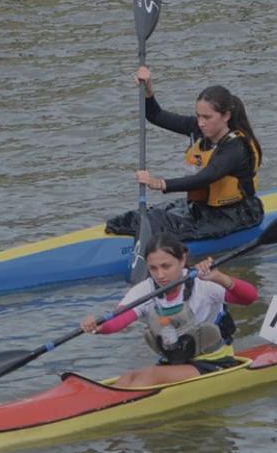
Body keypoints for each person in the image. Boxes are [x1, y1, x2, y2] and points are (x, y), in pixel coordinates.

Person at [105, 66, 264, 241]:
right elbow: (156, 116)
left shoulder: (236, 148)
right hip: (203, 208)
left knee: (153, 226)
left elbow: (203, 178)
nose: (201, 123)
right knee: (129, 220)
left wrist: (158, 183)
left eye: (207, 117)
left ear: (226, 116)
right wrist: (148, 90)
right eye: (198, 116)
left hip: (236, 214)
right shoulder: (198, 129)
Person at [80, 232, 258, 388]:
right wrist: (98, 325)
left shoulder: (204, 283)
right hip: (175, 363)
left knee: (150, 375)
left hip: (214, 362)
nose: (160, 275)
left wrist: (220, 277)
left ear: (182, 259)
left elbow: (249, 298)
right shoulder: (146, 289)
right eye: (153, 268)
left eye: (166, 266)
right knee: (128, 377)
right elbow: (119, 319)